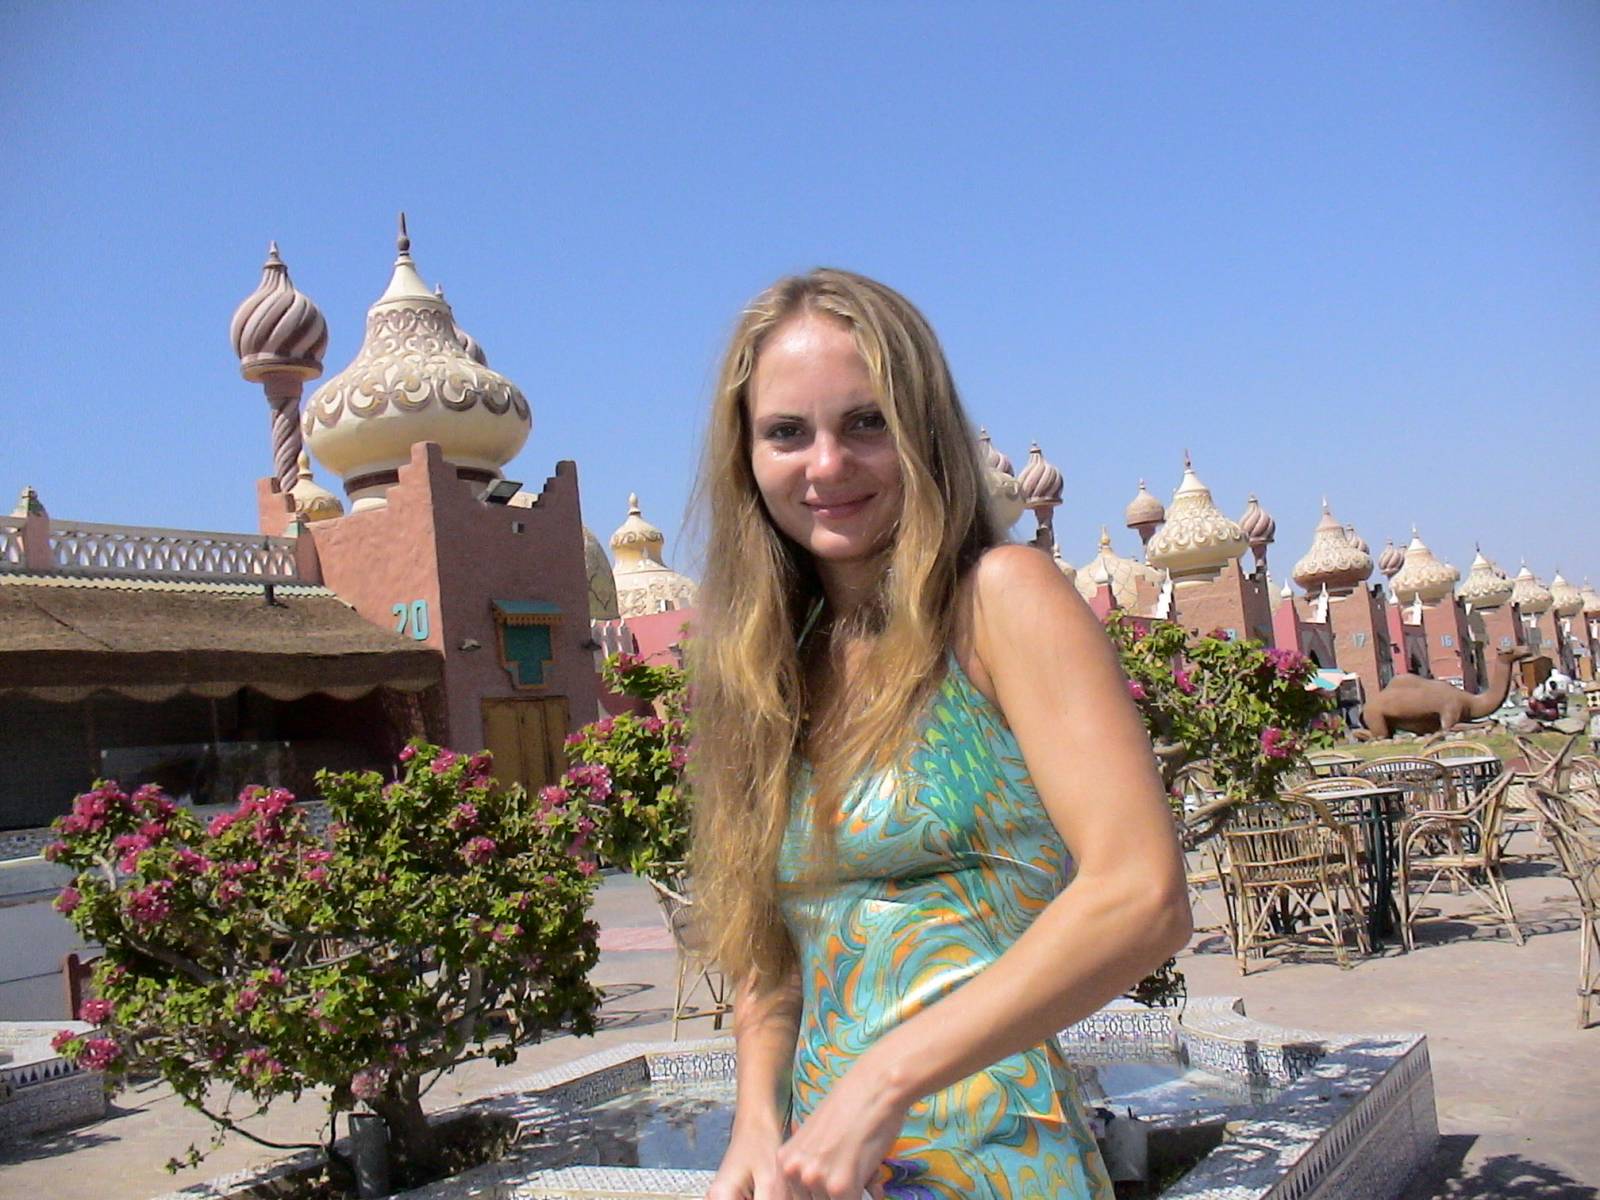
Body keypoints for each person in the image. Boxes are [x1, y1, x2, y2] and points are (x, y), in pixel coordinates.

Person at [688, 268, 1192, 1200]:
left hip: (996, 1160)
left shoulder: (998, 601)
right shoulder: (771, 664)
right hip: (823, 1170)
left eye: (866, 422)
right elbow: (775, 953)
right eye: (787, 432)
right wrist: (755, 1122)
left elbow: (1142, 895)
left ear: (924, 430)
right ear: (745, 455)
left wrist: (885, 1080)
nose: (826, 465)